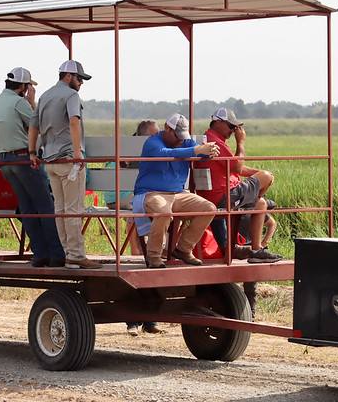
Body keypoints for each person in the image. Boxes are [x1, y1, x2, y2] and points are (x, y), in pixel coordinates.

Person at [0, 67, 66, 267]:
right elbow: (38, 123)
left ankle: (40, 254)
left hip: (5, 161)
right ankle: (57, 254)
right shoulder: (19, 102)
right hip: (23, 158)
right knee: (45, 206)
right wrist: (32, 101)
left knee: (27, 207)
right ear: (23, 86)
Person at [28, 60, 101, 270]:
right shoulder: (71, 96)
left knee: (59, 210)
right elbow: (74, 121)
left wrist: (32, 153)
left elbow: (34, 126)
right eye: (80, 78)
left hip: (49, 160)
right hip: (69, 159)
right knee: (73, 210)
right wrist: (78, 152)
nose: (81, 83)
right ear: (68, 76)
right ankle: (76, 255)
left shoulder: (44, 96)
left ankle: (67, 252)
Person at [194, 108, 283, 264]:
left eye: (235, 127)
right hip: (224, 196)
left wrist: (259, 174)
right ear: (218, 123)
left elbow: (237, 168)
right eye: (231, 126)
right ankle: (255, 197)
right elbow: (238, 168)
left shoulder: (210, 139)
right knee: (266, 177)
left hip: (217, 195)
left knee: (260, 204)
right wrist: (240, 142)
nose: (234, 130)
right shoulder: (216, 142)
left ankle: (256, 250)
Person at [132, 114, 220, 268]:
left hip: (178, 194)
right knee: (164, 213)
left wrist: (209, 151)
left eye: (183, 136)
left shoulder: (185, 142)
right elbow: (166, 154)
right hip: (151, 193)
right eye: (177, 135)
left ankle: (183, 248)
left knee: (208, 209)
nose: (181, 140)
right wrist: (198, 149)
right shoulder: (152, 142)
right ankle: (154, 256)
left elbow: (200, 154)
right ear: (167, 128)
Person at [104, 119, 159, 256]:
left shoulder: (127, 144)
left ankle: (143, 248)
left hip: (113, 195)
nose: (158, 137)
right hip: (121, 195)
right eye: (155, 134)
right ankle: (137, 250)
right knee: (143, 203)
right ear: (145, 135)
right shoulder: (140, 148)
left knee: (143, 200)